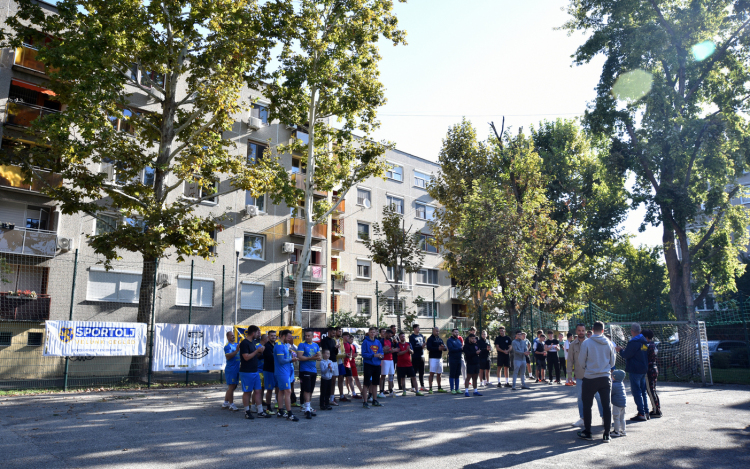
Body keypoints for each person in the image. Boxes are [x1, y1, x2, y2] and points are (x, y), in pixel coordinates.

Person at [576, 321, 616, 443]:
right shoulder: (609, 343)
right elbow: (613, 362)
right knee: (606, 405)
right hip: (605, 377)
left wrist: (587, 368)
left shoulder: (587, 343)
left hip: (590, 377)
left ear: (592, 329)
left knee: (587, 405)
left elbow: (581, 361)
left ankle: (588, 432)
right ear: (603, 330)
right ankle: (607, 433)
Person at [568, 323, 603, 427]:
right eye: (579, 330)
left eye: (583, 330)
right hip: (580, 376)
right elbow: (570, 361)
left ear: (586, 331)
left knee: (599, 397)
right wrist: (569, 375)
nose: (581, 332)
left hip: (593, 375)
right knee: (580, 398)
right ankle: (582, 418)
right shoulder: (572, 345)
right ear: (576, 331)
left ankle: (604, 417)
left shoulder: (591, 343)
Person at [615, 323, 650, 421]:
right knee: (643, 391)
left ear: (632, 331)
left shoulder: (633, 342)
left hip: (635, 369)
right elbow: (640, 353)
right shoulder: (643, 341)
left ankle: (641, 413)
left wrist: (620, 350)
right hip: (643, 368)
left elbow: (627, 355)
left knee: (636, 391)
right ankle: (646, 411)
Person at [239, 326, 268, 419]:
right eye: (257, 332)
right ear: (253, 333)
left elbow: (255, 355)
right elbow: (246, 357)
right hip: (247, 372)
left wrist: (260, 352)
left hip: (255, 371)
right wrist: (257, 351)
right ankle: (247, 411)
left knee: (258, 391)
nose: (258, 334)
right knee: (247, 392)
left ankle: (260, 411)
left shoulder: (253, 343)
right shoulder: (244, 343)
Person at [274, 329, 299, 421]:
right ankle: (289, 413)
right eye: (288, 337)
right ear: (283, 336)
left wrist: (292, 357)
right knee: (288, 392)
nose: (290, 339)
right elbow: (281, 361)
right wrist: (291, 360)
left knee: (281, 391)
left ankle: (280, 410)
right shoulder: (279, 346)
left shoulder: (285, 345)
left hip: (286, 372)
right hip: (282, 372)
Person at [296, 329, 321, 419]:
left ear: (313, 336)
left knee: (310, 390)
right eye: (305, 335)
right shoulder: (302, 344)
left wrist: (317, 357)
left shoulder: (316, 345)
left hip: (313, 370)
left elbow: (319, 357)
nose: (306, 337)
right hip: (304, 370)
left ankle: (307, 406)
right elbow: (300, 357)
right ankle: (306, 409)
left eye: (308, 336)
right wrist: (312, 357)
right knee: (306, 390)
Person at [360, 327, 384, 408]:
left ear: (376, 333)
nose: (372, 334)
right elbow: (363, 354)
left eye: (374, 332)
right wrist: (373, 355)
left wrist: (381, 356)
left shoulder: (378, 342)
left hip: (377, 365)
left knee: (375, 384)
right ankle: (365, 402)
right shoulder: (365, 342)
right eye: (371, 332)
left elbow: (381, 352)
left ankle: (375, 400)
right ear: (369, 333)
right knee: (366, 384)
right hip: (368, 364)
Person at [396, 332, 425, 396]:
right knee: (402, 378)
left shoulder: (408, 344)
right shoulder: (398, 344)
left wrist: (410, 351)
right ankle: (404, 391)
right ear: (399, 338)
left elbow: (412, 352)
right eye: (401, 337)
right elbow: (398, 353)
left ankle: (417, 391)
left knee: (413, 377)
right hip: (401, 364)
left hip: (409, 364)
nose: (403, 338)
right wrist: (406, 351)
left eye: (404, 336)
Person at [643, 329, 662, 418]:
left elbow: (642, 355)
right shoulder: (653, 344)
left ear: (646, 337)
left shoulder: (646, 345)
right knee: (653, 389)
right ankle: (656, 408)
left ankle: (656, 410)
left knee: (650, 390)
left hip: (649, 369)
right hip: (654, 367)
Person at [320, 327, 340, 406]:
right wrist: (333, 348)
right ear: (329, 332)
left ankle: (332, 398)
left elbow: (335, 353)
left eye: (335, 332)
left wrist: (336, 348)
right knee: (327, 381)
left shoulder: (333, 340)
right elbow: (326, 352)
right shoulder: (324, 340)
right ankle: (325, 399)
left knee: (334, 380)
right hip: (327, 362)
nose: (334, 334)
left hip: (334, 361)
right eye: (333, 332)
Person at [222, 330, 241, 411]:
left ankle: (225, 403)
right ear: (228, 337)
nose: (233, 337)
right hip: (231, 369)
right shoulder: (227, 346)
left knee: (233, 387)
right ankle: (231, 404)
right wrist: (236, 351)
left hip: (237, 369)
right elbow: (228, 357)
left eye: (234, 335)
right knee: (231, 387)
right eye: (231, 336)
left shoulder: (237, 344)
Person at [426, 327, 448, 393]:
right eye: (436, 331)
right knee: (432, 373)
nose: (437, 332)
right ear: (433, 331)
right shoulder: (430, 339)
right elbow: (429, 348)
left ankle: (439, 387)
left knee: (439, 373)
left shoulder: (440, 339)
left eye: (438, 331)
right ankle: (430, 388)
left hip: (440, 358)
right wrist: (437, 348)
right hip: (433, 358)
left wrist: (443, 347)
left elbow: (445, 348)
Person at [262, 330, 279, 412]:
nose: (273, 337)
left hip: (277, 371)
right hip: (268, 371)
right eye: (271, 335)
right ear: (268, 337)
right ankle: (268, 407)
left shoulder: (276, 345)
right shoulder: (266, 346)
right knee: (269, 390)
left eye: (274, 335)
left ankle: (280, 407)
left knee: (279, 388)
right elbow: (272, 358)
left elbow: (277, 357)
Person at [342, 333, 363, 399]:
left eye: (352, 339)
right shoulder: (341, 344)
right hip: (342, 364)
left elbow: (354, 354)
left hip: (350, 364)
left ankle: (357, 392)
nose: (351, 340)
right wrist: (346, 355)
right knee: (344, 379)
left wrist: (350, 356)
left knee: (352, 378)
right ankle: (345, 393)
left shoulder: (352, 346)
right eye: (350, 338)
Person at [409, 324, 427, 392]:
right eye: (418, 328)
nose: (419, 329)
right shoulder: (412, 337)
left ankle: (422, 386)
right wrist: (420, 347)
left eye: (419, 327)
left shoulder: (421, 335)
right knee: (414, 372)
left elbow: (423, 343)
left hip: (422, 356)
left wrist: (424, 346)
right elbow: (412, 347)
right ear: (414, 329)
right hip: (415, 356)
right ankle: (413, 387)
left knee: (421, 372)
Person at [379, 330, 397, 398]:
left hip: (391, 360)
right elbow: (381, 351)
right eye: (389, 335)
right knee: (383, 376)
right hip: (384, 360)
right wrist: (390, 351)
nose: (390, 336)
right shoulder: (381, 341)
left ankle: (391, 391)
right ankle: (381, 391)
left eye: (391, 335)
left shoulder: (390, 341)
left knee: (391, 375)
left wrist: (393, 350)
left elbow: (391, 349)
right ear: (386, 334)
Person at [335, 327, 350, 402]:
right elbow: (334, 354)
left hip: (341, 362)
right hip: (334, 362)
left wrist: (345, 355)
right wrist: (344, 355)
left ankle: (341, 395)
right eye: (338, 331)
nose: (340, 332)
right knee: (333, 380)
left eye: (340, 331)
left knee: (341, 379)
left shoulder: (341, 340)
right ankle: (331, 396)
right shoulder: (332, 340)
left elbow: (342, 350)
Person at [611, 368, 627, 437]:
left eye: (612, 376)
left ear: (615, 377)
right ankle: (623, 431)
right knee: (622, 418)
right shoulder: (621, 383)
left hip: (617, 404)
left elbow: (610, 392)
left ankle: (616, 431)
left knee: (616, 417)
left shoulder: (614, 385)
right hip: (623, 403)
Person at [446, 328, 463, 394]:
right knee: (452, 374)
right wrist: (460, 349)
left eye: (457, 332)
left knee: (457, 374)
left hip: (459, 359)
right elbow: (451, 349)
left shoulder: (459, 340)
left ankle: (457, 389)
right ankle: (452, 389)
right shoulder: (449, 340)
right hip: (453, 359)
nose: (456, 333)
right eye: (455, 332)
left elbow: (461, 348)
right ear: (452, 333)